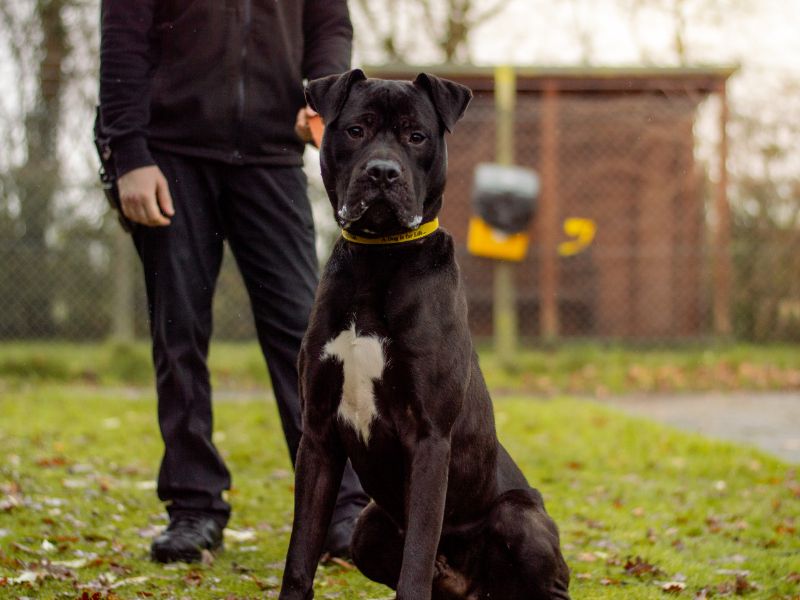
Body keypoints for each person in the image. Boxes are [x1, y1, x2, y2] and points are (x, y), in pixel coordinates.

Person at [98, 0, 368, 564]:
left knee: (309, 339)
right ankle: (194, 507)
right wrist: (128, 153)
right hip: (170, 153)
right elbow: (123, 31)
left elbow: (329, 23)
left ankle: (342, 509)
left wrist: (321, 98)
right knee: (180, 335)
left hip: (272, 156)